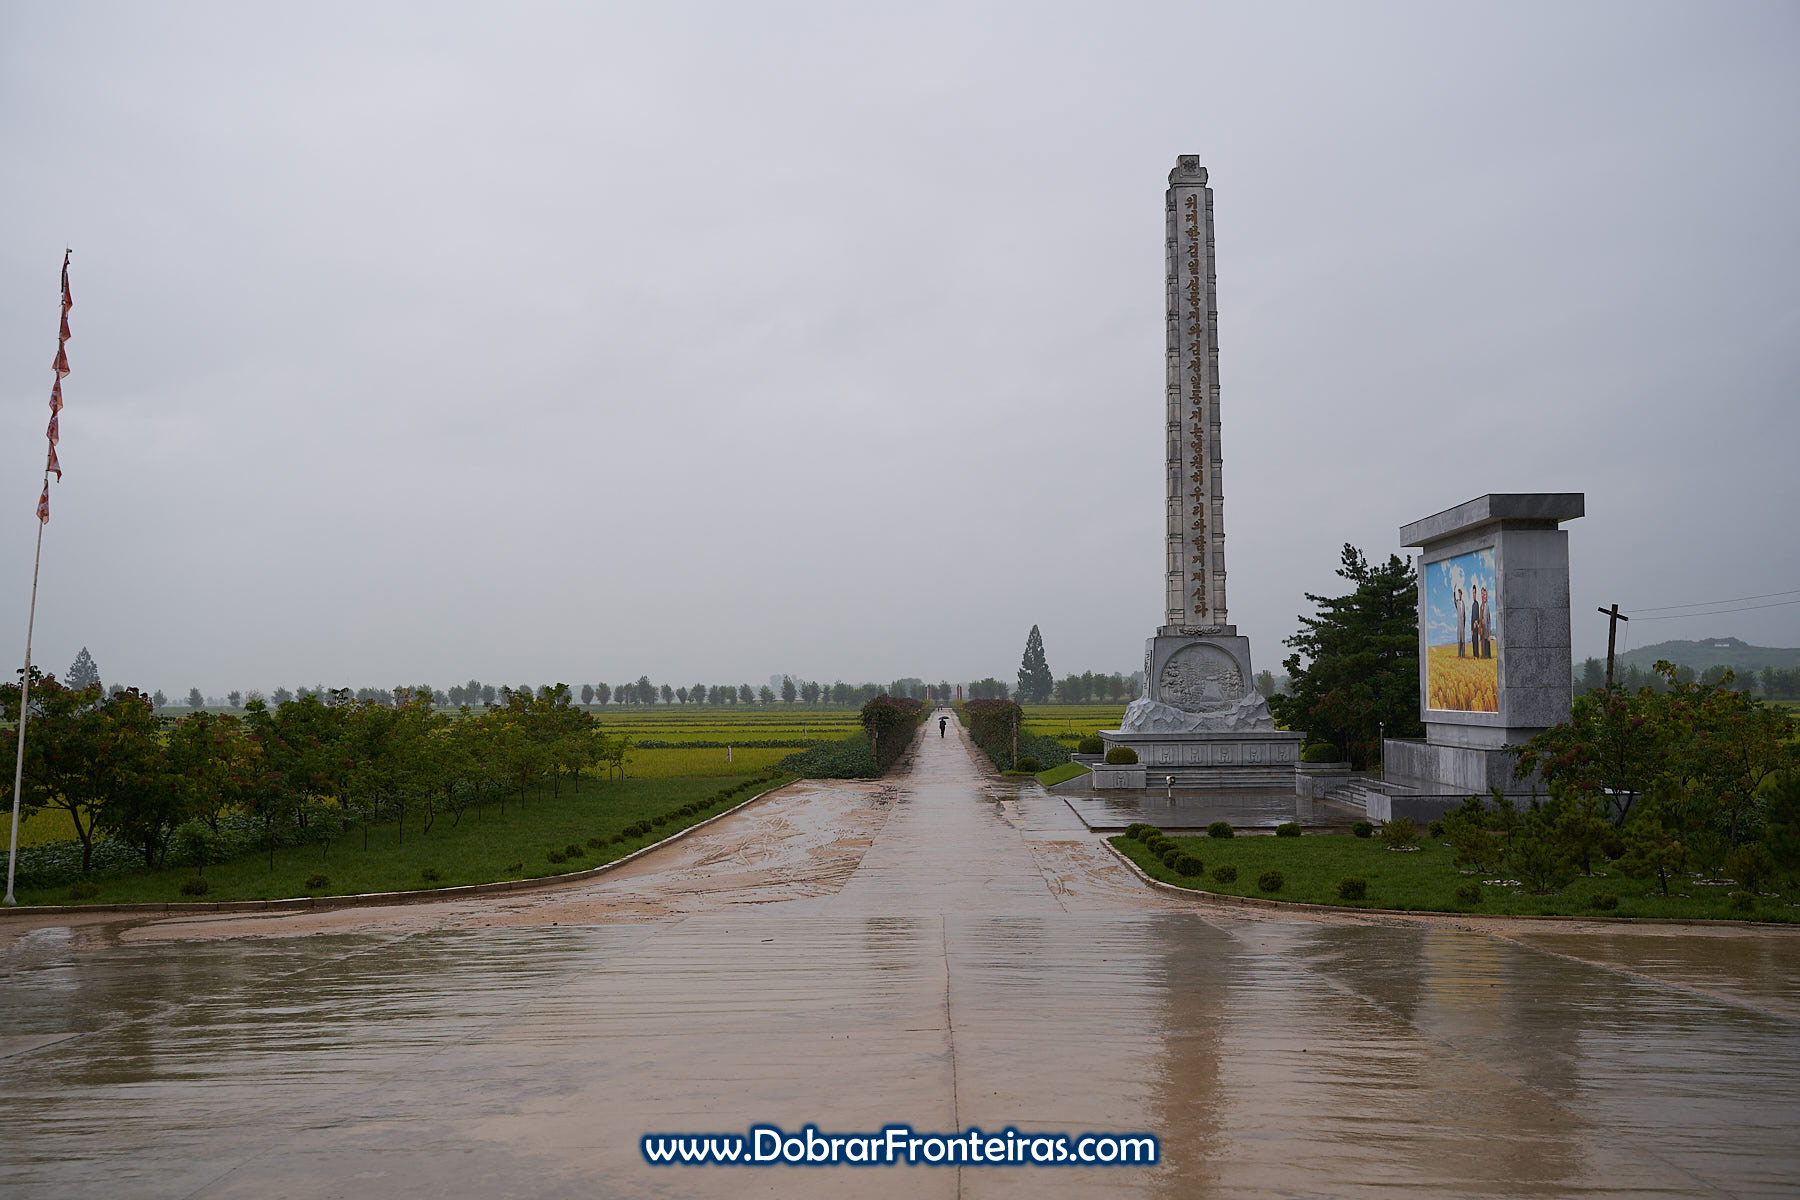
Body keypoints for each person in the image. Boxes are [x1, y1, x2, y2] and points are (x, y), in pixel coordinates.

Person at [1480, 586, 1493, 658]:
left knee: (1487, 646)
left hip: (1487, 631)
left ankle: (1488, 657)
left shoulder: (1487, 606)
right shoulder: (1481, 606)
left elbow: (1489, 620)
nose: (1484, 596)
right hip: (1483, 630)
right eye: (1482, 594)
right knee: (1483, 645)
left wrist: (1489, 634)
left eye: (1485, 594)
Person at [1454, 585, 1466, 658]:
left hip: (1463, 624)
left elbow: (1465, 615)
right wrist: (1454, 590)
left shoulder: (1463, 603)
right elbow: (1454, 600)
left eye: (1460, 594)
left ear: (1461, 594)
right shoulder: (1457, 602)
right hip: (1459, 624)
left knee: (1463, 640)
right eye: (1458, 594)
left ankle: (1463, 655)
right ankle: (1459, 655)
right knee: (1459, 639)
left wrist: (1464, 624)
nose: (1459, 595)